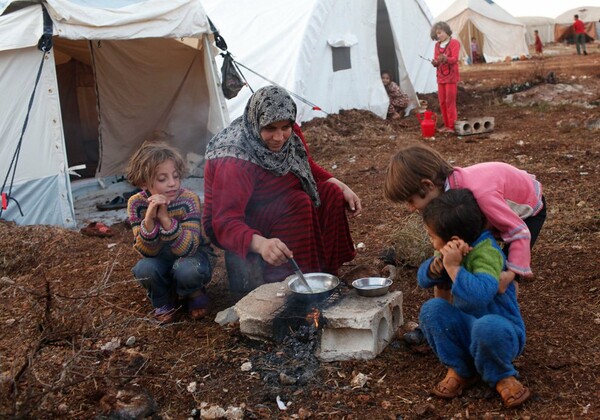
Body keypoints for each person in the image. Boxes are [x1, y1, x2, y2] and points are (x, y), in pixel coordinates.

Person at [203, 85, 361, 291]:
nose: (279, 137)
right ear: (256, 122)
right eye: (270, 129)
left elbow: (306, 165)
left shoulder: (291, 132)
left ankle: (327, 276)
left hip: (276, 200)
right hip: (239, 219)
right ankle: (293, 284)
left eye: (285, 127)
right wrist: (262, 244)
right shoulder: (235, 160)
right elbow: (224, 222)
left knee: (330, 194)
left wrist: (341, 186)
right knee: (298, 202)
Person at [384, 143, 546, 344]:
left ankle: (505, 328)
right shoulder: (447, 198)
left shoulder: (480, 195)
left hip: (524, 212)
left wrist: (513, 272)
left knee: (501, 271)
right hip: (484, 216)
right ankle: (440, 326)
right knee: (446, 261)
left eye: (410, 200)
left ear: (428, 185)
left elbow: (518, 232)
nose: (410, 208)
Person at [417, 188, 530, 408]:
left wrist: (453, 267)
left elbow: (477, 297)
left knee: (486, 327)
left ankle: (502, 375)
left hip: (501, 330)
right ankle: (461, 369)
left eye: (432, 237)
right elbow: (423, 280)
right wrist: (435, 266)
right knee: (432, 309)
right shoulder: (450, 250)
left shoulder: (487, 253)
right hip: (467, 328)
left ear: (455, 239)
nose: (432, 243)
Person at [126, 141, 215, 324]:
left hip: (192, 256)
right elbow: (146, 252)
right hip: (160, 258)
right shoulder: (136, 204)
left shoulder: (188, 200)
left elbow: (188, 248)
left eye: (175, 176)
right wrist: (149, 219)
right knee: (144, 268)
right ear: (144, 182)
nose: (172, 183)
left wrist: (166, 220)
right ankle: (164, 299)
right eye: (162, 179)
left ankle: (194, 291)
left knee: (187, 269)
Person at [430, 22, 460, 134]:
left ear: (446, 31)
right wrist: (435, 62)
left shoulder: (454, 43)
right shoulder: (437, 45)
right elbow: (437, 60)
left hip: (451, 77)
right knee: (442, 101)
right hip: (441, 76)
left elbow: (455, 59)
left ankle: (452, 126)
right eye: (437, 34)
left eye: (440, 32)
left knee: (450, 101)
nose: (438, 35)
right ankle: (447, 125)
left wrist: (446, 59)